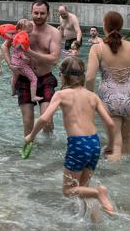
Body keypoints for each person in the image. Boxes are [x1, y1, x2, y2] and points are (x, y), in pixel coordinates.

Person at [25, 56, 117, 218]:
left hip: (78, 143)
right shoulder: (92, 96)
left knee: (68, 190)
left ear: (62, 75)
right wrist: (110, 145)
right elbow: (110, 123)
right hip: (94, 142)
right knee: (83, 187)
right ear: (82, 75)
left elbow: (45, 119)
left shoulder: (61, 94)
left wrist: (31, 136)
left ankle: (98, 193)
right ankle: (93, 221)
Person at [85, 11, 130, 158]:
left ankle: (115, 178)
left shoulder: (97, 49)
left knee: (115, 144)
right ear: (121, 26)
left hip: (109, 101)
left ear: (104, 26)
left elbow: (90, 78)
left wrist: (91, 100)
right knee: (128, 140)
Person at [14, 0, 62, 136]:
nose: (39, 16)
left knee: (47, 121)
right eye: (36, 13)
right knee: (28, 121)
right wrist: (11, 67)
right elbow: (5, 46)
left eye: (42, 13)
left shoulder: (54, 33)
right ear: (31, 13)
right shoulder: (24, 28)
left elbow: (54, 59)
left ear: (48, 14)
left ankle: (47, 150)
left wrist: (29, 52)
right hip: (25, 79)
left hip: (45, 78)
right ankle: (29, 150)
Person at [1, 19, 40, 102]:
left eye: (30, 32)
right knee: (34, 79)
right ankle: (33, 97)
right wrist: (25, 57)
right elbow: (21, 50)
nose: (29, 34)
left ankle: (13, 91)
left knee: (15, 76)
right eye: (28, 32)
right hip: (21, 63)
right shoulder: (21, 39)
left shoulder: (15, 36)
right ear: (20, 30)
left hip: (14, 62)